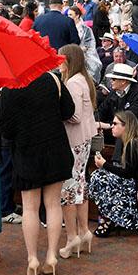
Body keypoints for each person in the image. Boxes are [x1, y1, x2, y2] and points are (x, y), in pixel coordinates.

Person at [0, 71, 75, 275]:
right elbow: (69, 110)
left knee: (30, 207)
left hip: (26, 151)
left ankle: (32, 258)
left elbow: (5, 128)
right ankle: (51, 255)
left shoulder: (10, 86)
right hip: (55, 148)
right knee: (53, 204)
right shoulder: (52, 79)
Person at [58, 45, 98, 260]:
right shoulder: (84, 79)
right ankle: (83, 232)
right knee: (80, 186)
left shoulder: (73, 83)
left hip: (74, 140)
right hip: (84, 139)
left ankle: (72, 236)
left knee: (68, 189)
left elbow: (74, 116)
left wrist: (57, 112)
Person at [89, 111, 138, 237]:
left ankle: (109, 219)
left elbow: (128, 174)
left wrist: (104, 164)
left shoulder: (135, 143)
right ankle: (108, 218)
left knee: (99, 177)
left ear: (126, 126)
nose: (112, 126)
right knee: (100, 175)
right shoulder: (129, 141)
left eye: (115, 123)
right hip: (133, 184)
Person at [98, 64, 138, 139]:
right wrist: (97, 123)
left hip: (132, 135)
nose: (111, 81)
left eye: (114, 79)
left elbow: (129, 119)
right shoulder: (113, 92)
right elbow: (102, 110)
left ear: (123, 81)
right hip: (114, 132)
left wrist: (108, 125)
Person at [68, 5, 102, 83]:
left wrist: (81, 49)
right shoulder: (67, 28)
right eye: (68, 15)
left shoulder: (86, 30)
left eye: (70, 15)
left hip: (84, 58)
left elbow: (89, 44)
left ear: (77, 16)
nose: (68, 17)